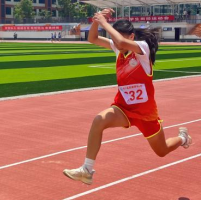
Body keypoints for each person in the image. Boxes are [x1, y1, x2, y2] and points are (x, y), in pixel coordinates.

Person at [63, 9, 192, 185]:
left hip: (146, 114)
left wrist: (104, 23)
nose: (117, 44)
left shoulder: (142, 49)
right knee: (98, 120)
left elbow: (120, 40)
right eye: (115, 41)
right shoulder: (119, 49)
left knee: (162, 151)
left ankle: (183, 138)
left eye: (120, 40)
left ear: (132, 37)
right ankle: (87, 169)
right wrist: (96, 20)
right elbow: (92, 39)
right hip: (123, 109)